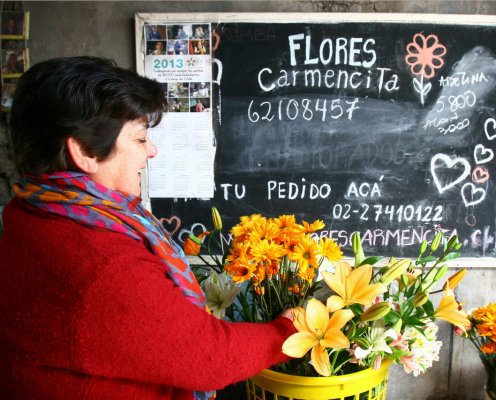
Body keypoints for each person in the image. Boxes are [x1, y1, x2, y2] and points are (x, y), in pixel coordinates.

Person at [0, 56, 296, 400]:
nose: (151, 152)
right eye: (141, 139)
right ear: (84, 152)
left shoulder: (31, 210)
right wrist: (288, 332)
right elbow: (209, 357)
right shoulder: (103, 263)